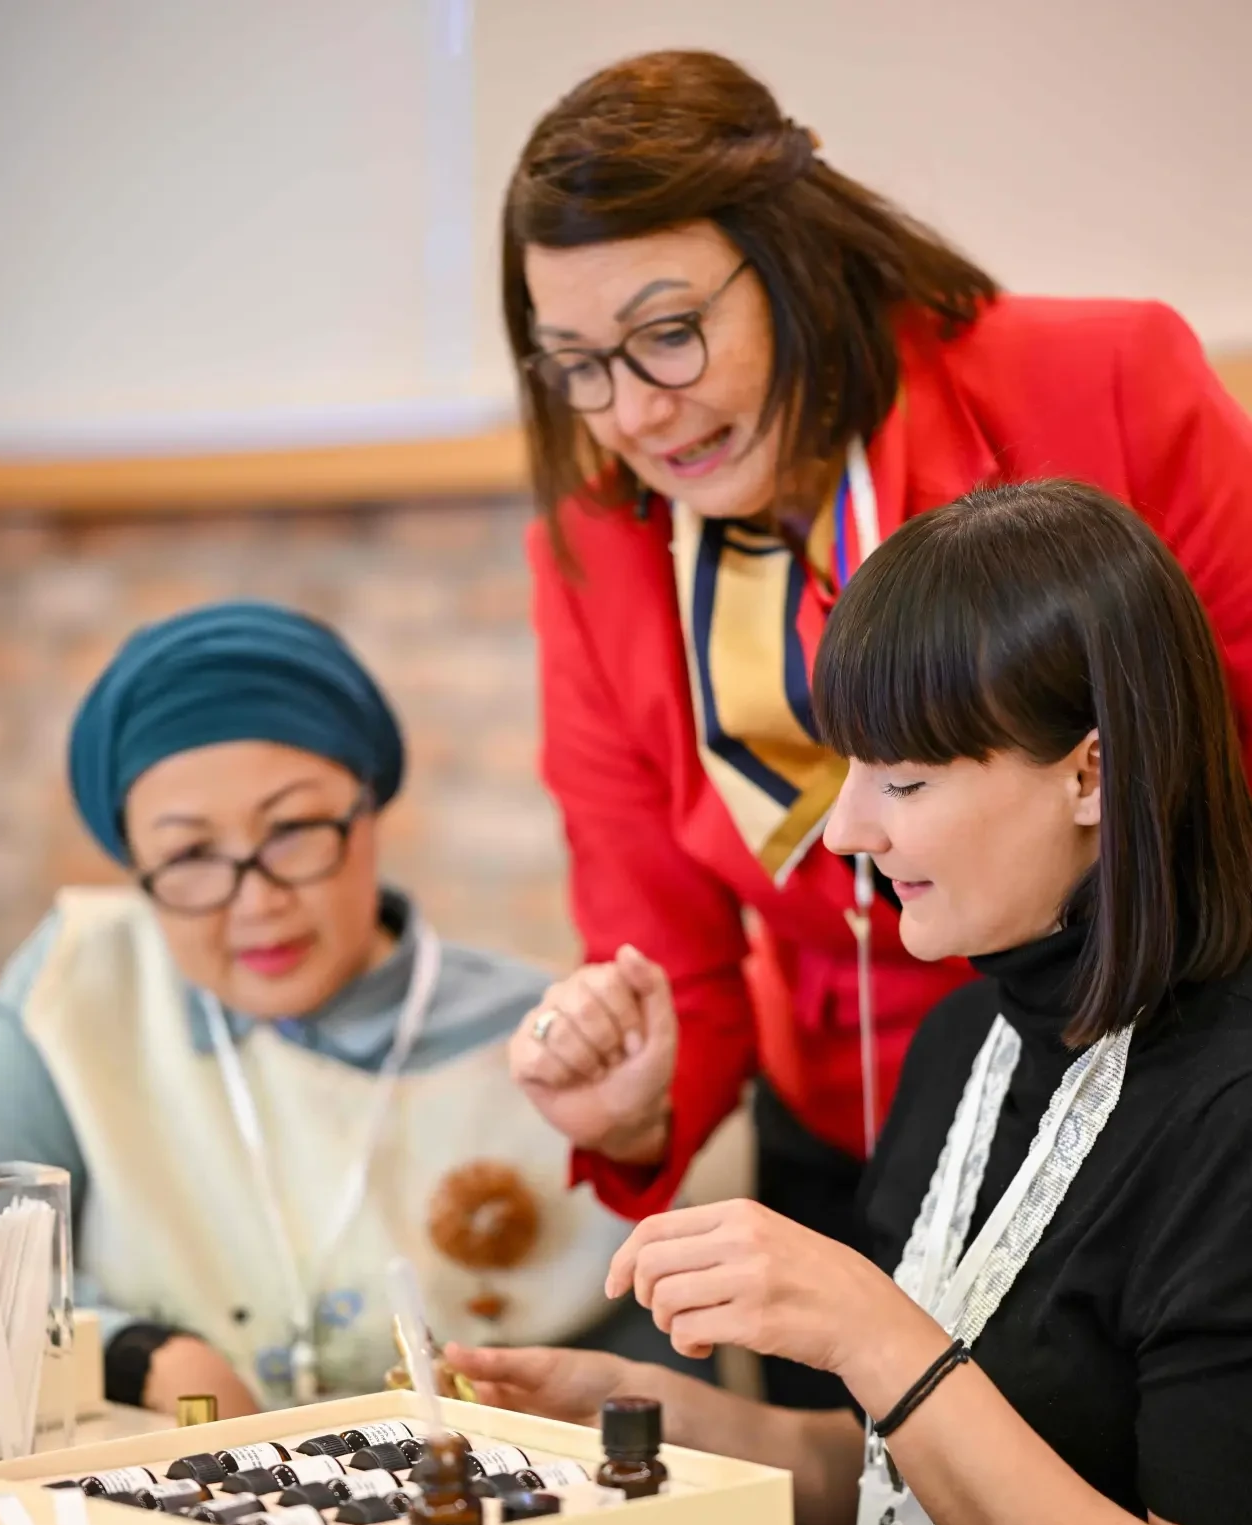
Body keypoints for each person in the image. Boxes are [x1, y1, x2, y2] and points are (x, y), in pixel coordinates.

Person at [500, 48, 1252, 1409]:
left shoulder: (1095, 383)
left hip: (1158, 1110)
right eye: (577, 368)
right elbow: (663, 952)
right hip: (853, 1142)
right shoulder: (596, 554)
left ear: (791, 256)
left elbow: (1229, 762)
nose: (633, 410)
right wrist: (634, 1104)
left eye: (668, 335)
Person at [451, 481, 1252, 1525]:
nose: (844, 832)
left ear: (1090, 774)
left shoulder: (1227, 1111)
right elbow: (895, 1485)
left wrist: (876, 1333)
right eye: (848, 771)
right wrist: (651, 1420)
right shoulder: (958, 1045)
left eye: (905, 782)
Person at [0, 601, 673, 1418]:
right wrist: (145, 1354)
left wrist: (632, 1135)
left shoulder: (537, 1039)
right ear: (134, 861)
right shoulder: (80, 989)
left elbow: (662, 1370)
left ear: (370, 809)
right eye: (191, 855)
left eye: (295, 829)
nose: (258, 901)